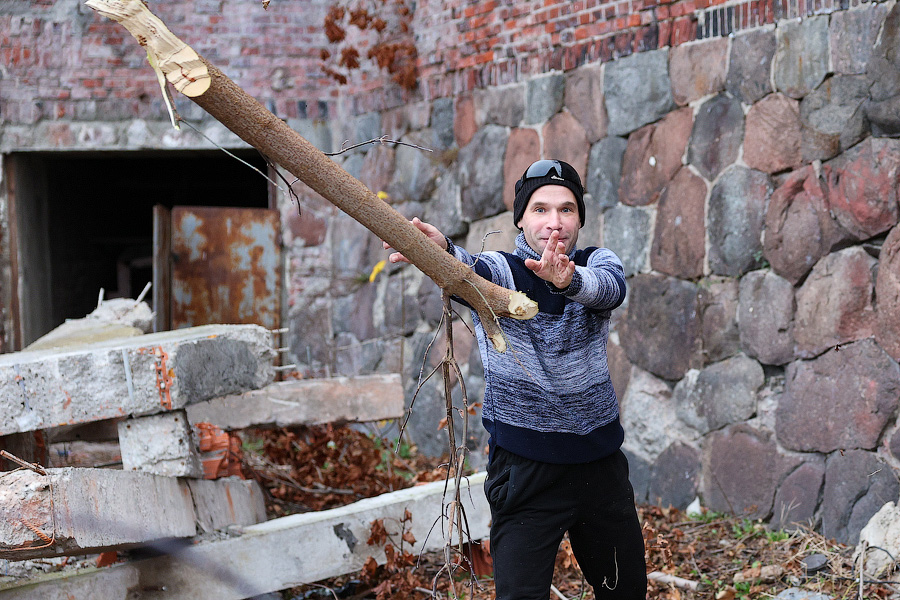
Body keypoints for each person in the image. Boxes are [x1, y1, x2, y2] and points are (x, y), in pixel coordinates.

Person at [384, 159, 647, 600]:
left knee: (625, 591)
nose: (554, 222)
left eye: (566, 209)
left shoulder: (596, 263)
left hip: (599, 466)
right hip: (526, 471)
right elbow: (468, 272)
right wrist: (440, 252)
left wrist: (568, 280)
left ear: (580, 219)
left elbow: (610, 289)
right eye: (540, 209)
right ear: (521, 219)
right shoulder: (503, 270)